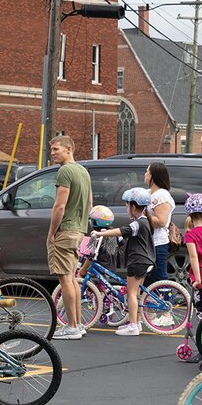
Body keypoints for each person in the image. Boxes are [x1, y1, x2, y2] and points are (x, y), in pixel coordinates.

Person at [92, 187, 154, 337]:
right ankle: (136, 322)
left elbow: (120, 231)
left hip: (137, 261)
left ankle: (132, 326)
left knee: (131, 293)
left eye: (127, 205)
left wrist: (101, 233)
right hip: (146, 260)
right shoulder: (145, 222)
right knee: (136, 293)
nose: (127, 208)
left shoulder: (138, 223)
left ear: (133, 207)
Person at [47, 135, 92, 340]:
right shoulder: (83, 171)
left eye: (56, 149)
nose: (53, 152)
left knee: (65, 278)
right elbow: (90, 203)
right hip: (79, 229)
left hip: (66, 229)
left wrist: (51, 232)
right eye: (52, 149)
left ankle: (72, 326)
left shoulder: (65, 171)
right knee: (72, 277)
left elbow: (60, 205)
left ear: (68, 149)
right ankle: (78, 324)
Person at [143, 162, 175, 288]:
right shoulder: (147, 193)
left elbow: (161, 221)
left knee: (159, 277)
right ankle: (147, 305)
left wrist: (143, 216)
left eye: (147, 171)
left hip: (157, 242)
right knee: (147, 277)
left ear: (153, 176)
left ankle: (166, 304)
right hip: (147, 241)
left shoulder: (162, 195)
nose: (145, 174)